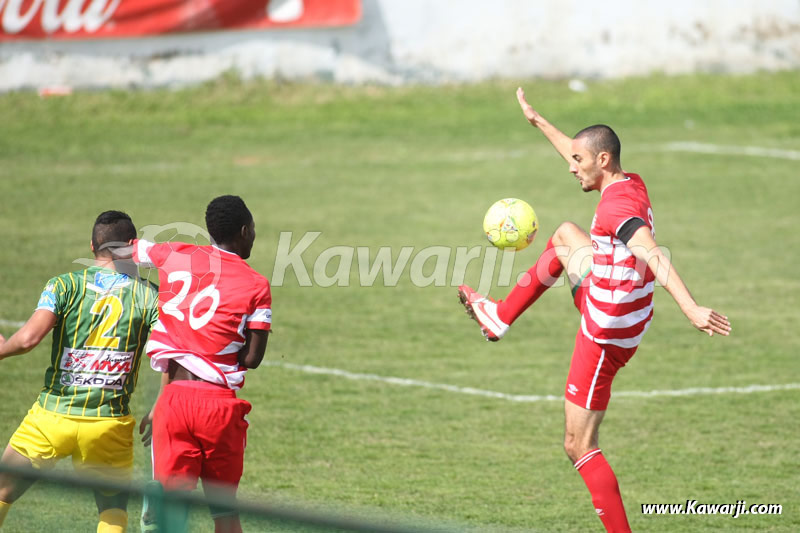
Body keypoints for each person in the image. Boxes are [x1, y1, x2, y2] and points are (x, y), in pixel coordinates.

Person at [457, 88, 731, 532]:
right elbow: (579, 149)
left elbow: (654, 254)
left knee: (577, 443)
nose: (570, 166)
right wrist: (538, 121)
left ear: (602, 162)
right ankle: (499, 317)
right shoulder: (628, 181)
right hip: (629, 308)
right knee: (566, 234)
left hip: (606, 328)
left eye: (578, 162)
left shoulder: (616, 206)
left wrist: (692, 308)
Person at [0, 211, 159, 533]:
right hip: (109, 422)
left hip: (52, 417)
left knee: (2, 492)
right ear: (132, 247)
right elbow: (166, 356)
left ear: (92, 246)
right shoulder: (151, 295)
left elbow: (28, 339)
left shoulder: (64, 285)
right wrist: (161, 408)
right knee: (112, 509)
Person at [130, 195, 271, 533]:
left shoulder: (175, 254)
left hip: (173, 403)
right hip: (217, 409)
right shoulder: (256, 284)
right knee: (225, 514)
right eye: (252, 229)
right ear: (243, 231)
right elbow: (252, 358)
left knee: (170, 516)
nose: (254, 234)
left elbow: (125, 247)